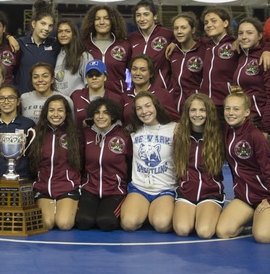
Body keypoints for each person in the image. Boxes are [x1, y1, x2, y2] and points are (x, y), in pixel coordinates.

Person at [215, 91, 270, 244]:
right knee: (223, 231)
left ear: (246, 112)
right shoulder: (226, 130)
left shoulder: (254, 135)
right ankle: (252, 218)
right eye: (228, 108)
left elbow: (268, 168)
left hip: (265, 196)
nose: (231, 113)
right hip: (243, 198)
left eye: (236, 109)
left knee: (263, 237)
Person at [120, 91, 177, 233]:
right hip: (139, 188)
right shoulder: (132, 131)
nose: (144, 111)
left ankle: (156, 211)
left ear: (156, 106)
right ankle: (143, 211)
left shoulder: (174, 129)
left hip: (165, 189)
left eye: (147, 106)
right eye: (139, 108)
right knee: (128, 224)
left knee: (162, 225)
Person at [172, 93, 224, 239]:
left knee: (204, 232)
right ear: (187, 112)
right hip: (186, 193)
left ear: (209, 113)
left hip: (210, 193)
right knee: (182, 230)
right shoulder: (179, 134)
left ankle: (210, 214)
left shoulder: (219, 136)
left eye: (202, 110)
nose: (197, 114)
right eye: (193, 110)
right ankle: (193, 214)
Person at [27, 95, 82, 230]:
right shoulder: (36, 133)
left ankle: (67, 207)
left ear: (66, 113)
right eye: (51, 110)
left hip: (67, 186)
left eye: (60, 110)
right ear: (46, 112)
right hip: (43, 187)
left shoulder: (75, 134)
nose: (55, 114)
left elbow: (83, 162)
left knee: (64, 224)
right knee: (47, 224)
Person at [76, 97, 130, 231]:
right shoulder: (86, 134)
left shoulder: (124, 136)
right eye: (97, 112)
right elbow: (80, 161)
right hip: (90, 189)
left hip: (114, 190)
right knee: (83, 222)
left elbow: (130, 162)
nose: (101, 116)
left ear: (112, 116)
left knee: (106, 222)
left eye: (106, 112)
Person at [232, 16, 270, 138]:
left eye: (249, 33)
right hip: (243, 120)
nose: (244, 36)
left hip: (260, 121)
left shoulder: (265, 58)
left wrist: (265, 128)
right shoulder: (240, 56)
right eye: (240, 33)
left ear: (259, 36)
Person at [0, 83, 35, 182]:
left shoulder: (28, 124)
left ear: (18, 102)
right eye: (2, 98)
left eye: (11, 97)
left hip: (22, 179)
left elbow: (33, 154)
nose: (6, 101)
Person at [198, 7, 240, 117]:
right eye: (206, 22)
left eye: (214, 21)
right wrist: (174, 43)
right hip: (205, 104)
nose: (209, 25)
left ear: (225, 23)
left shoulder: (235, 45)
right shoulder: (205, 45)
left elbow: (260, 45)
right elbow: (185, 37)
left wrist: (268, 50)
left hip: (226, 105)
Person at [82, 4, 131, 94]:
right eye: (97, 19)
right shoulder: (83, 45)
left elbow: (134, 70)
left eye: (106, 18)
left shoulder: (124, 45)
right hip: (91, 97)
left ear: (113, 21)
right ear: (92, 22)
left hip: (118, 96)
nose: (101, 22)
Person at [14, 0, 60, 93]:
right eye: (43, 23)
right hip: (24, 97)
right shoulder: (20, 43)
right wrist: (8, 36)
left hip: (47, 99)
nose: (47, 29)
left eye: (50, 25)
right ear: (34, 24)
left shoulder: (55, 44)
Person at [165, 12, 204, 115]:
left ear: (193, 30)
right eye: (176, 28)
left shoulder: (204, 50)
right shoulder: (172, 52)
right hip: (175, 106)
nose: (179, 31)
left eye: (183, 28)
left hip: (196, 106)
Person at [70, 59, 125, 127]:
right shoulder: (76, 96)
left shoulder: (116, 99)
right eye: (90, 75)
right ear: (86, 78)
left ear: (105, 77)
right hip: (80, 136)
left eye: (98, 74)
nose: (94, 77)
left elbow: (120, 124)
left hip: (107, 136)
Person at [128, 0, 173, 74]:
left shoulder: (168, 35)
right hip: (138, 84)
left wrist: (175, 43)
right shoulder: (131, 38)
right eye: (138, 15)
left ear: (155, 16)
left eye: (146, 14)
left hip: (161, 84)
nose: (142, 19)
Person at [53, 18, 91, 97]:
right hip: (59, 105)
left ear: (74, 34)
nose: (63, 35)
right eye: (60, 31)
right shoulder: (57, 53)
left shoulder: (84, 56)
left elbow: (90, 84)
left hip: (77, 104)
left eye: (67, 31)